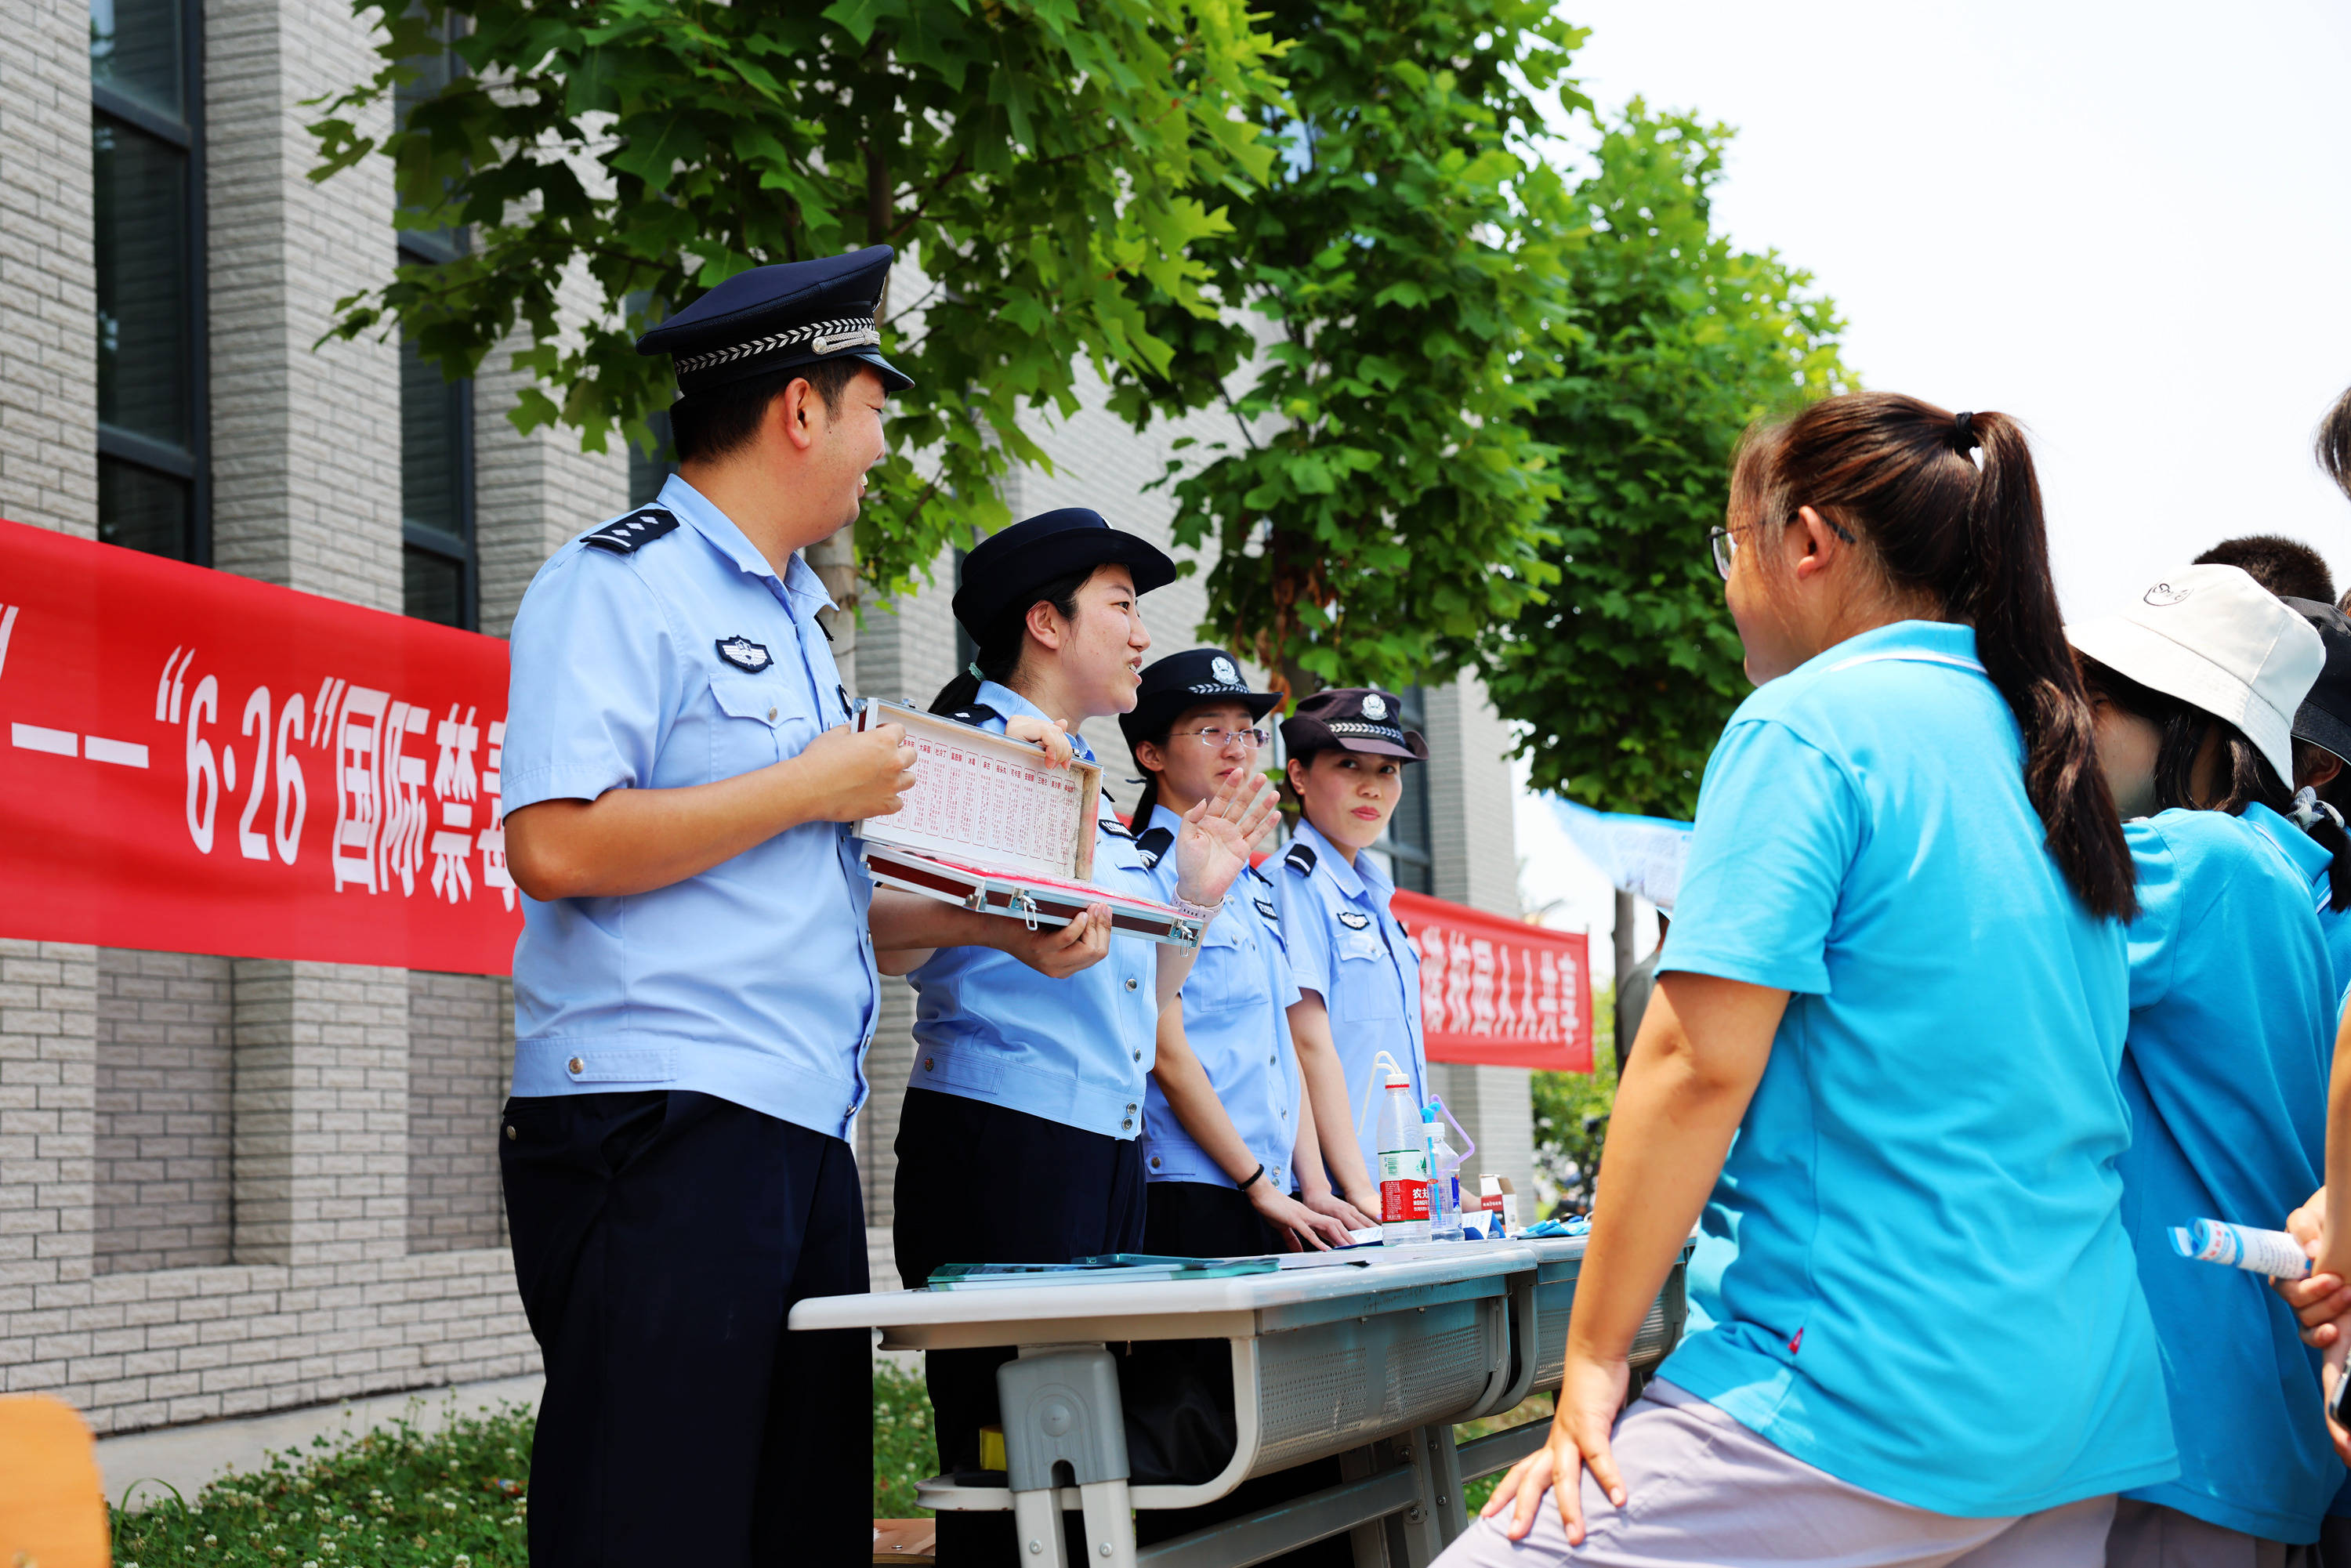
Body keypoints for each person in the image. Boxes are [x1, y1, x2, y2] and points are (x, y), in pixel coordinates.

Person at [1449, 394, 2175, 1568]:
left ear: (1806, 543)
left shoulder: (1807, 727)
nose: (1727, 578)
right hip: (2075, 1394)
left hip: (1857, 1383)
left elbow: (1695, 1063)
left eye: (1730, 544)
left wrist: (1591, 1361)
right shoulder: (2048, 752)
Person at [494, 248, 1106, 1566]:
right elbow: (551, 843)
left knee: (800, 1525)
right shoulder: (621, 581)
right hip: (659, 1126)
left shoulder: (791, 626)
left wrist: (1004, 929)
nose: (885, 444)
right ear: (799, 409)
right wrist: (804, 782)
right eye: (877, 407)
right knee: (650, 1525)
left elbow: (811, 890)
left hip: (792, 1129)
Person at [885, 508, 1279, 1567]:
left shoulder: (1085, 782)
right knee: (1006, 1460)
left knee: (1083, 1463)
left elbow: (1143, 984)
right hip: (1002, 1141)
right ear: (1046, 623)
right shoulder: (975, 745)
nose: (1142, 633)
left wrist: (1194, 894)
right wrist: (993, 927)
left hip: (1099, 1148)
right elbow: (879, 932)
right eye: (1122, 604)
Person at [2067, 563, 2338, 1559]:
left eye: (2101, 705)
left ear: (2209, 740)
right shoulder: (2276, 871)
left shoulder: (2193, 861)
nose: (2074, 730)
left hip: (2183, 1403)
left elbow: (1984, 922)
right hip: (2245, 1400)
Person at [1119, 648, 1371, 1257]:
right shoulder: (1142, 871)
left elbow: (1284, 1044)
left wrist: (1312, 1184)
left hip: (1276, 1189)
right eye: (1211, 730)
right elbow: (1162, 1044)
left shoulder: (1252, 883)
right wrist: (1256, 1182)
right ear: (1150, 754)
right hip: (1192, 1183)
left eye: (1246, 731)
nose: (1237, 748)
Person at [1272, 688, 1431, 1216]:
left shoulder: (1379, 899)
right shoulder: (1294, 884)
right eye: (1348, 764)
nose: (1372, 786)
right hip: (1342, 1198)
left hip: (1399, 1190)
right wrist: (1360, 1188)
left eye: (1389, 769)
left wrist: (1434, 1178)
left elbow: (1393, 1057)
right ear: (1298, 776)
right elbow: (1306, 1044)